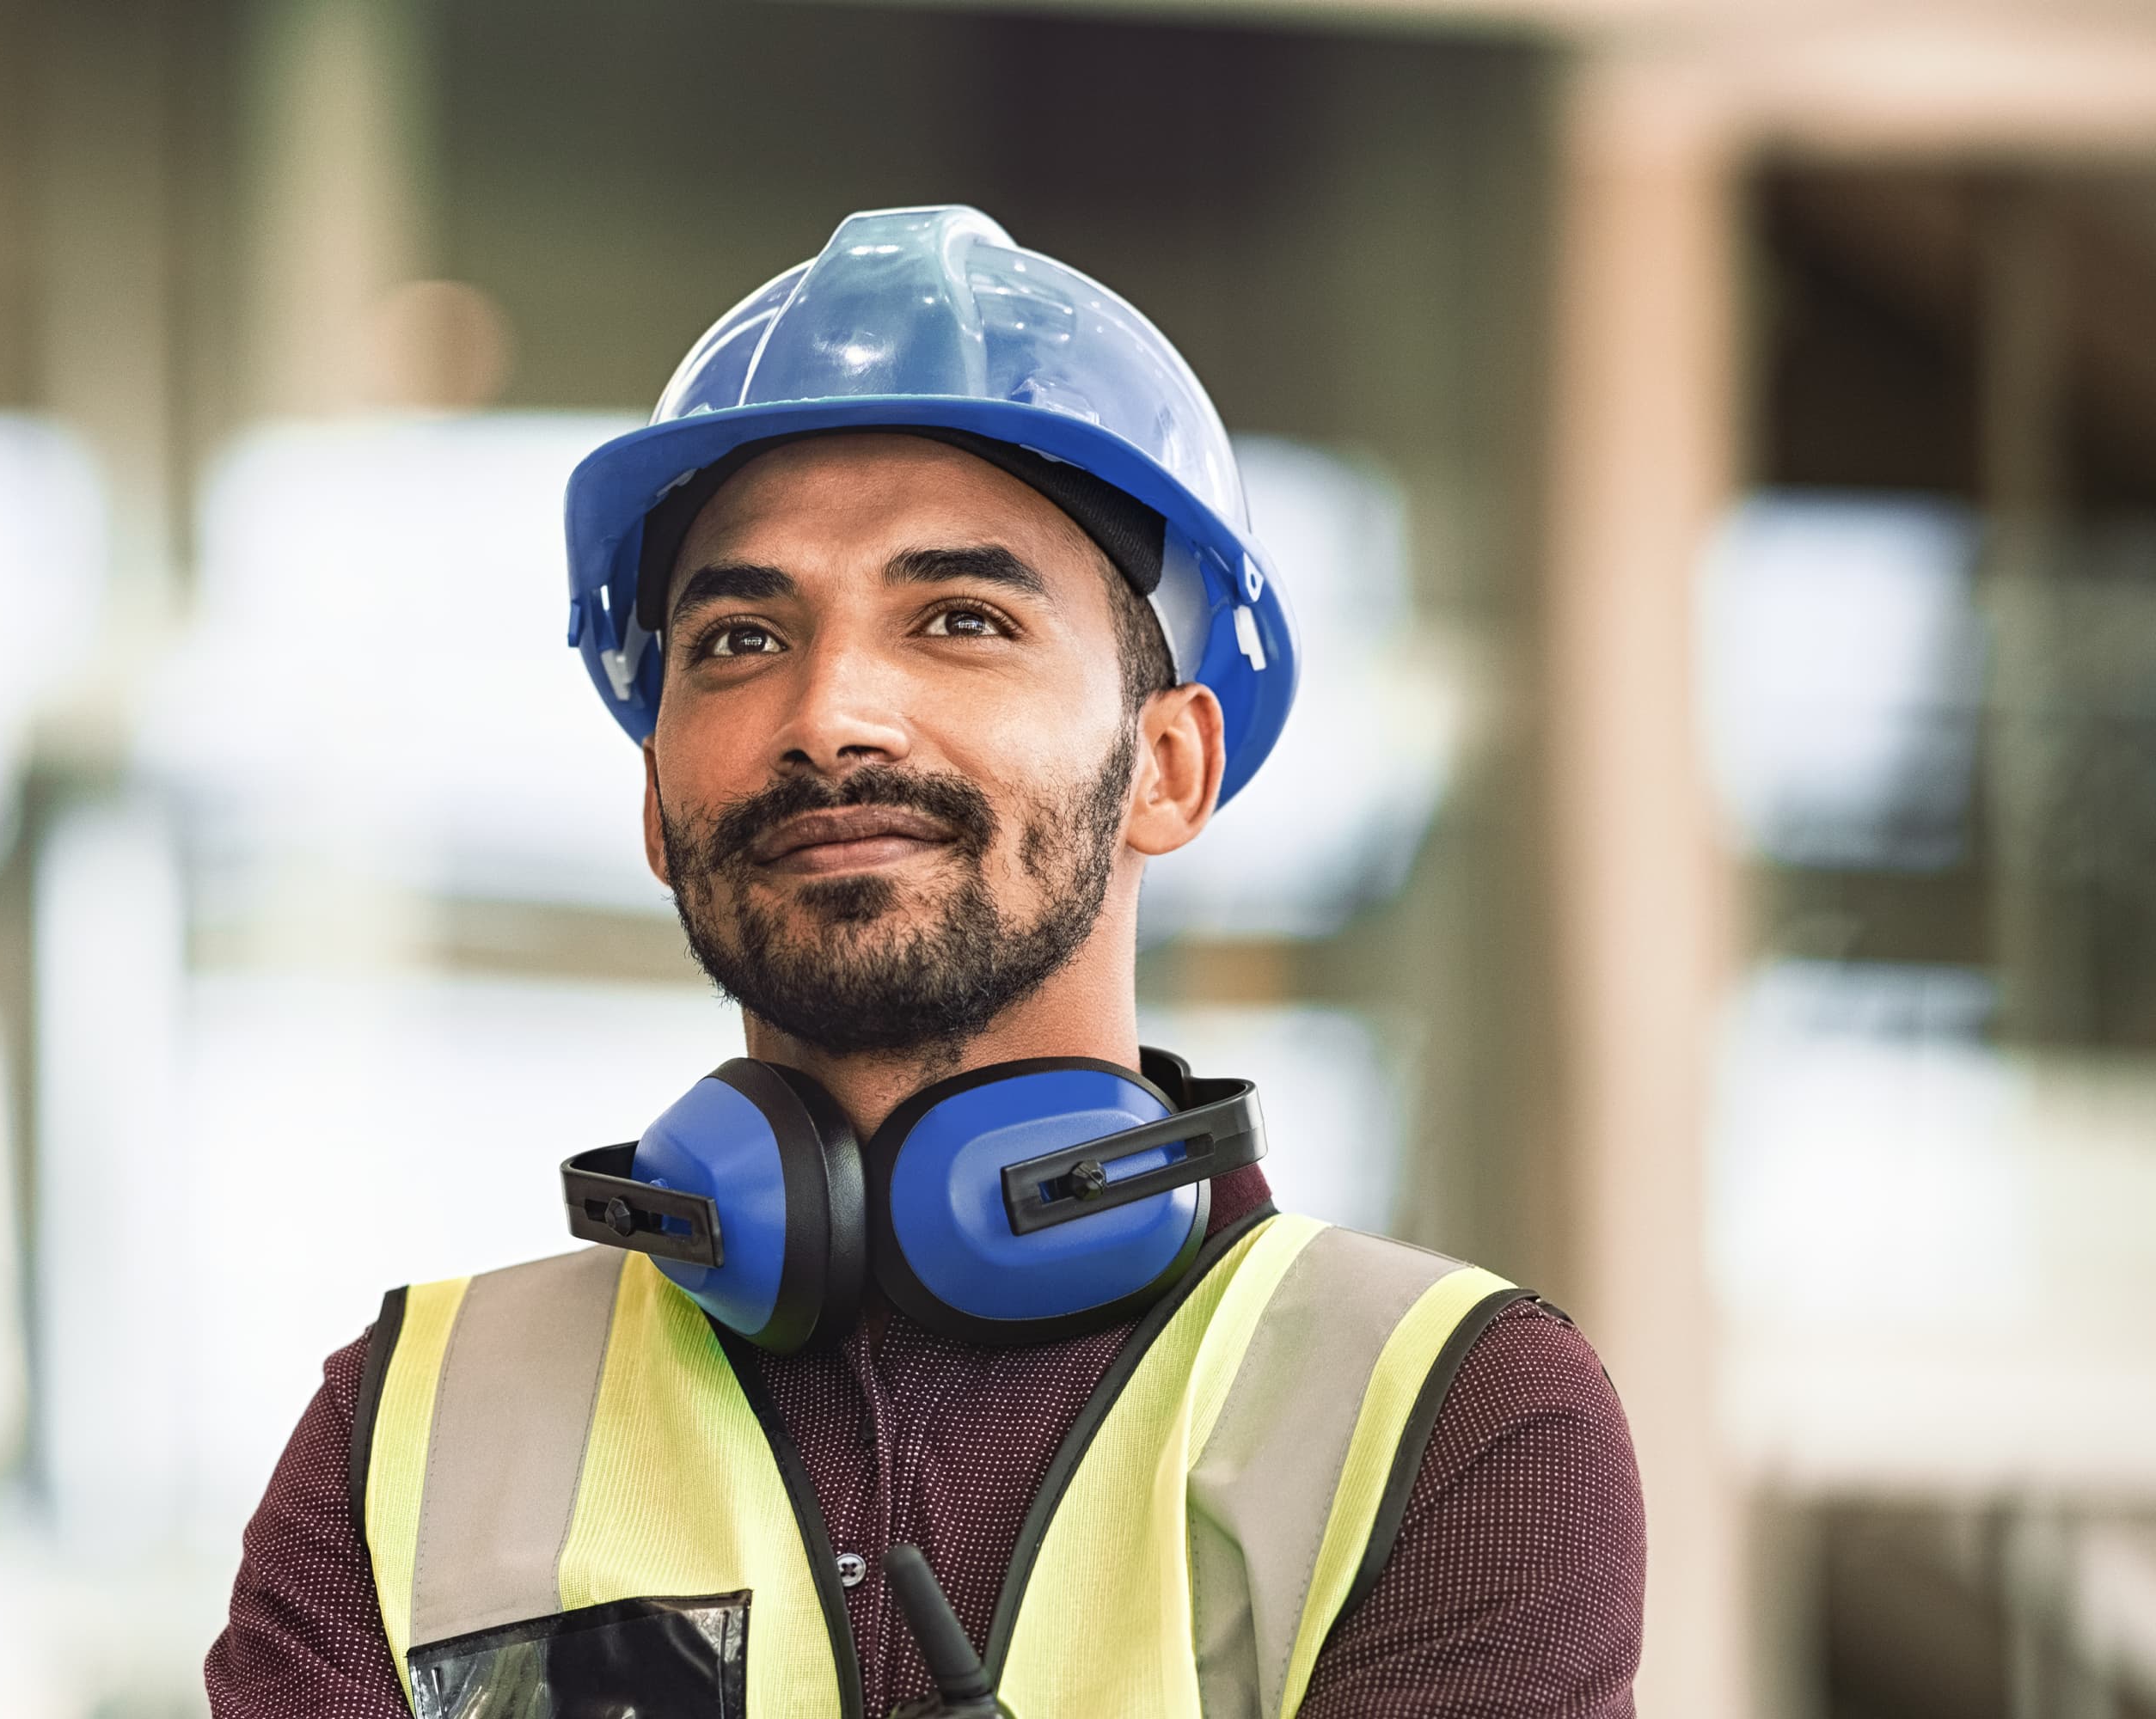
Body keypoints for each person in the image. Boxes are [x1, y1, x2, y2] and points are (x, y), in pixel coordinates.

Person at [205, 206, 1641, 1718]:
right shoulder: (405, 1437)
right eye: (740, 641)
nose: (833, 714)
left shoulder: (1449, 1419)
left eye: (960, 618)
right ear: (651, 799)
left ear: (1166, 766)